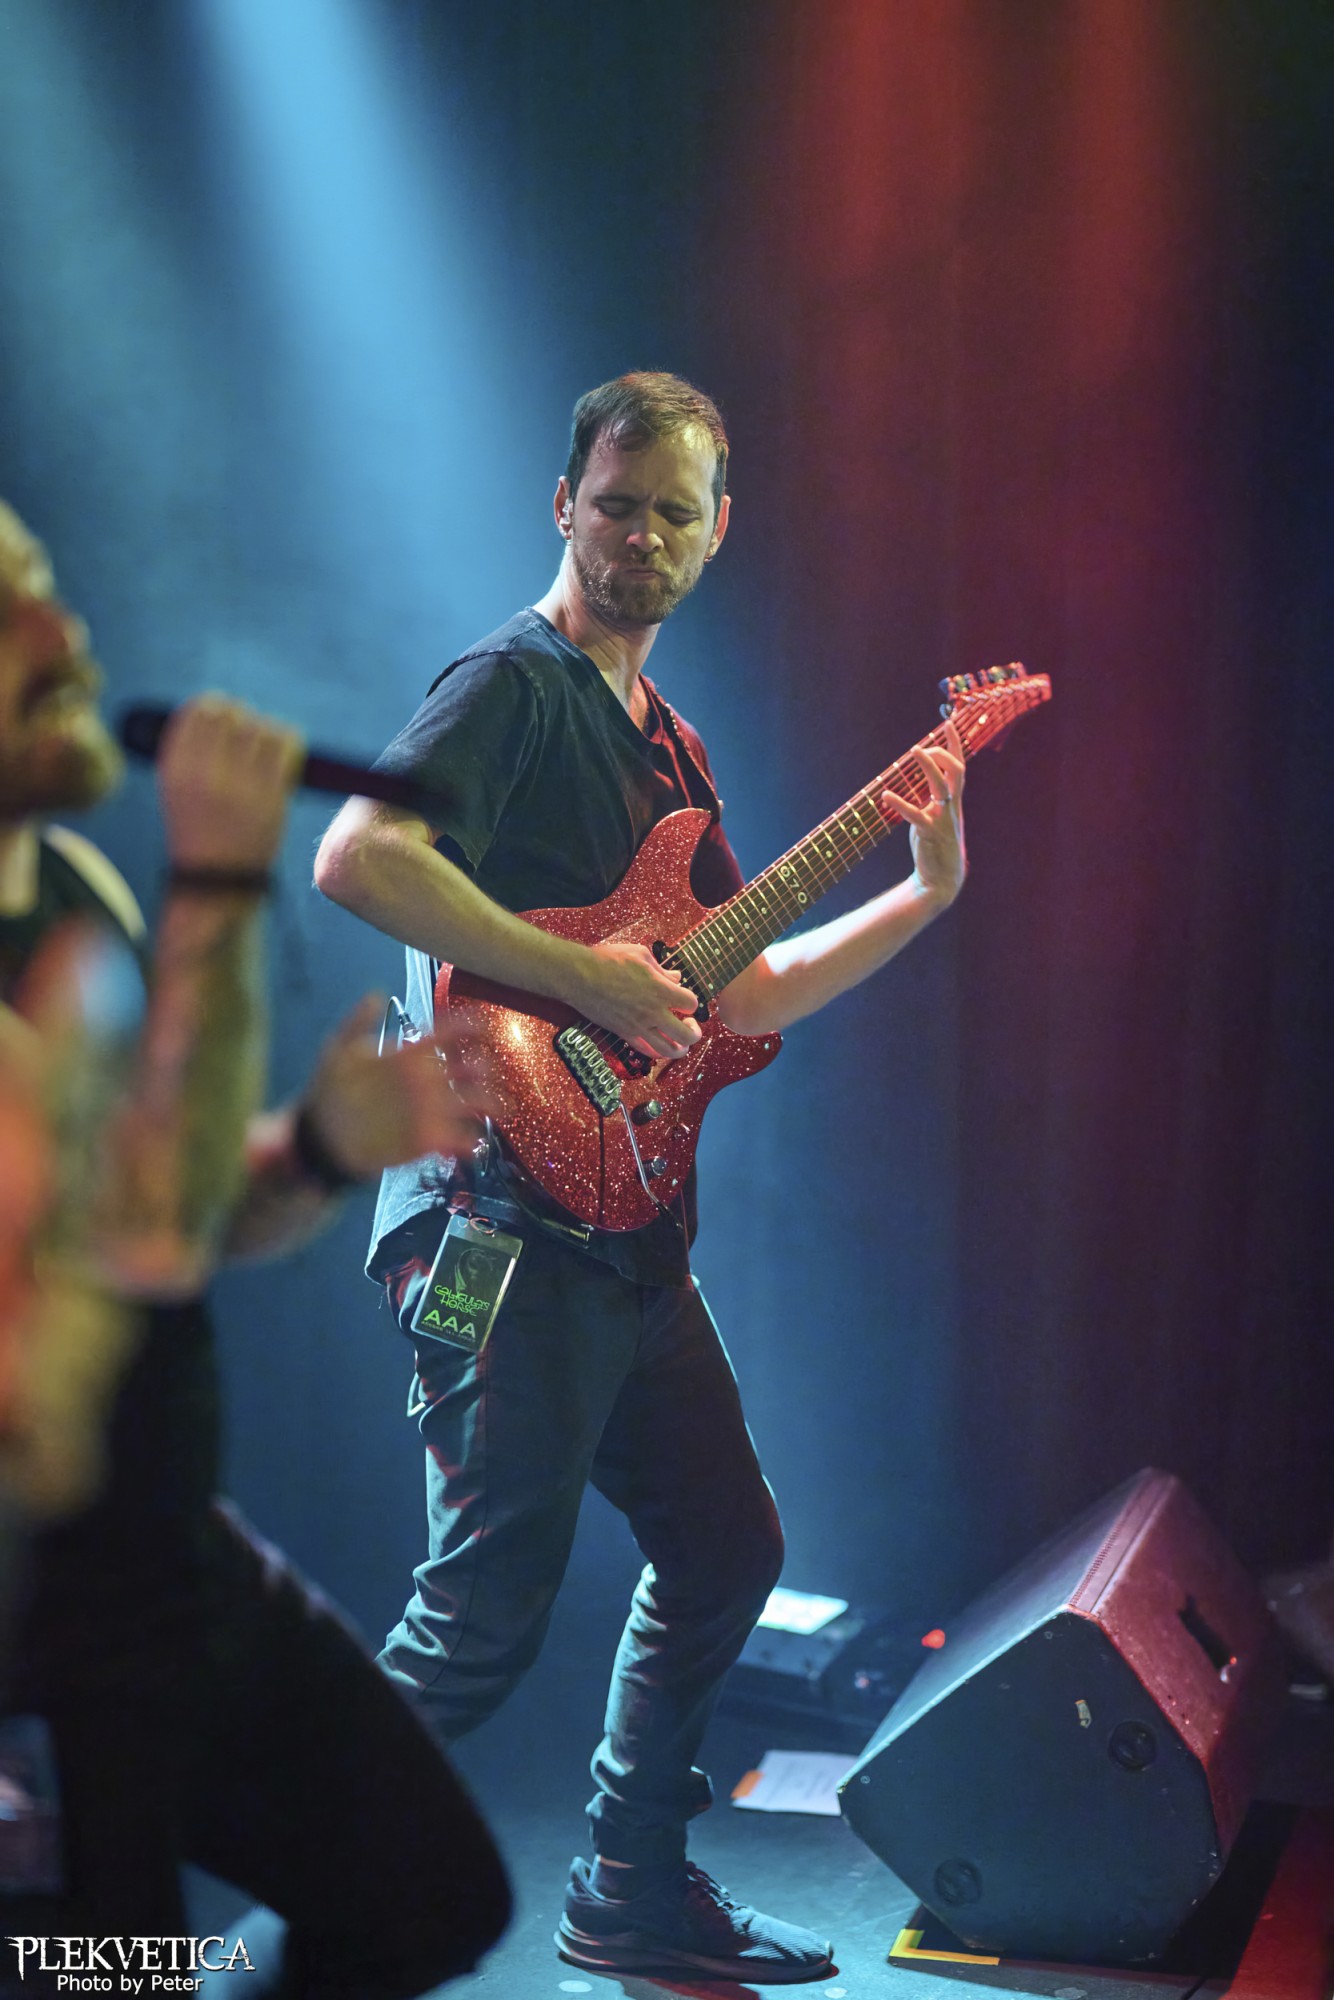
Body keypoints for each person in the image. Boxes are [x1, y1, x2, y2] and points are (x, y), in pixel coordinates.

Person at [315, 371, 968, 1985]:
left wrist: (923, 890)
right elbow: (358, 857)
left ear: (718, 530)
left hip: (624, 1237)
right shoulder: (511, 686)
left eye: (676, 512)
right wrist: (580, 976)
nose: (643, 537)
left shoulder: (671, 753)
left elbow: (741, 991)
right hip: (491, 1227)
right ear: (564, 504)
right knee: (474, 1627)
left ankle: (629, 1887)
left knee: (727, 1548)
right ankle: (254, 1923)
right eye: (617, 504)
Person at [0, 499, 511, 1996]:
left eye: (44, 586)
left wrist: (322, 1151)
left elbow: (178, 1205)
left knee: (426, 1901)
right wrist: (223, 885)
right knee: (110, 1965)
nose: (62, 635)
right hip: (33, 1591)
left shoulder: (69, 893)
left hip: (160, 1552)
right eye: (5, 612)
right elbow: (145, 1239)